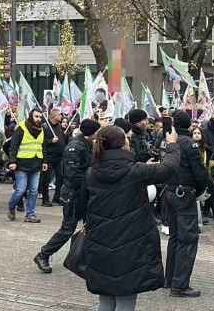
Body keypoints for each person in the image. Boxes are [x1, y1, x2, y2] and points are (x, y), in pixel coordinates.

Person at [82, 125, 178, 311]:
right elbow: (169, 168)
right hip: (131, 243)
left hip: (99, 241)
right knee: (126, 299)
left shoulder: (91, 172)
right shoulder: (136, 171)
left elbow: (82, 207)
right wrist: (171, 145)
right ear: (123, 144)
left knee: (106, 298)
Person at [34, 119, 100, 274]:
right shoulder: (75, 147)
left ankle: (86, 258)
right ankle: (43, 254)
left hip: (84, 194)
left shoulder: (87, 144)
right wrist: (90, 183)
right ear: (91, 131)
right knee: (67, 229)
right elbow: (72, 174)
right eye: (97, 131)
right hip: (74, 195)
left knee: (91, 227)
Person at [164, 110, 214, 297]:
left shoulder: (169, 141)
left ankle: (169, 279)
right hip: (184, 193)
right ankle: (179, 285)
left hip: (170, 191)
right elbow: (199, 171)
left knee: (175, 237)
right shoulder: (189, 144)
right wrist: (210, 187)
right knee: (187, 239)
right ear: (188, 125)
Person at [7, 108, 48, 223]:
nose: (38, 119)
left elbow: (42, 146)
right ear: (31, 116)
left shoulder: (41, 129)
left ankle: (30, 214)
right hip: (22, 164)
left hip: (36, 164)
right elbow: (13, 146)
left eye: (40, 117)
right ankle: (11, 206)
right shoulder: (21, 128)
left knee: (34, 190)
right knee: (20, 189)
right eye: (36, 116)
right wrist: (12, 161)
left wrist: (45, 161)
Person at [41, 109, 67, 207]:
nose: (61, 116)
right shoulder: (45, 127)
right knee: (46, 179)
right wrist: (50, 141)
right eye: (59, 115)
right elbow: (41, 142)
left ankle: (57, 198)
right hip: (49, 157)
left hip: (59, 157)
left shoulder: (59, 127)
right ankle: (45, 199)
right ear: (54, 116)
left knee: (60, 177)